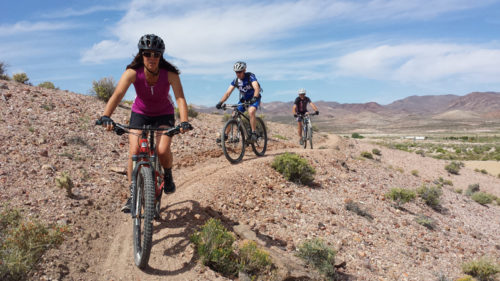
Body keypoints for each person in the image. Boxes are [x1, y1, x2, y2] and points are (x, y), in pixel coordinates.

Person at [98, 34, 192, 212]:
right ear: (141, 54)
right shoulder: (132, 73)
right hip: (140, 113)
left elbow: (180, 98)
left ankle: (168, 174)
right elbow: (117, 94)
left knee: (162, 150)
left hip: (164, 113)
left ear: (161, 56)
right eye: (148, 54)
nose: (152, 58)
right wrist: (106, 115)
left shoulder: (170, 74)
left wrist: (184, 121)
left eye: (156, 54)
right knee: (134, 151)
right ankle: (133, 193)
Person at [215, 61, 261, 143]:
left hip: (254, 97)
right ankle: (225, 135)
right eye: (236, 72)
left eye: (239, 72)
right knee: (233, 115)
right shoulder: (236, 81)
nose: (238, 74)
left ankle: (254, 132)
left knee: (251, 111)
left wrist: (254, 97)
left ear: (244, 70)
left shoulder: (250, 77)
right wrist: (220, 102)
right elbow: (228, 93)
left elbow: (256, 88)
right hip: (245, 99)